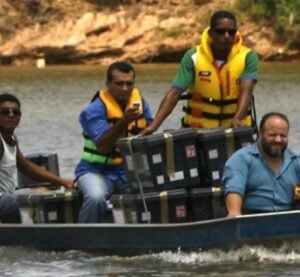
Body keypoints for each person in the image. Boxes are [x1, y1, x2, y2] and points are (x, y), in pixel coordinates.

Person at [142, 10, 259, 134]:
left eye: (231, 32)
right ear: (210, 33)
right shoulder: (193, 57)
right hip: (198, 132)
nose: (226, 36)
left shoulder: (248, 57)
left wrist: (237, 119)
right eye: (220, 32)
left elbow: (246, 91)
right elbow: (175, 93)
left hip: (234, 130)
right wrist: (153, 126)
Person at [75, 61, 153, 223]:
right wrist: (123, 121)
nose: (124, 88)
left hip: (128, 172)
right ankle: (84, 239)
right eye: (119, 83)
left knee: (158, 193)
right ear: (108, 84)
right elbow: (103, 147)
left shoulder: (140, 104)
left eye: (129, 83)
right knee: (96, 197)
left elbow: (151, 134)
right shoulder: (93, 111)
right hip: (96, 171)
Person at [0, 93, 74, 223]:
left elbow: (26, 167)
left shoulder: (12, 139)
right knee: (11, 203)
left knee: (44, 192)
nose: (11, 115)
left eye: (15, 112)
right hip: (4, 200)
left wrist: (63, 181)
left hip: (8, 194)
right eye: (5, 112)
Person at [222, 112, 300, 217]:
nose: (278, 139)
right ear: (260, 134)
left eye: (283, 135)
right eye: (272, 135)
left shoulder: (296, 161)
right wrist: (234, 212)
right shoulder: (241, 159)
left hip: (289, 220)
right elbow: (234, 189)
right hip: (252, 221)